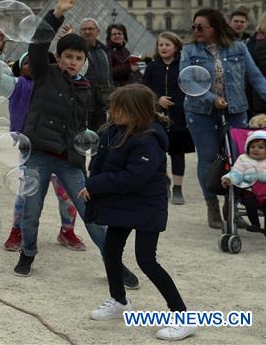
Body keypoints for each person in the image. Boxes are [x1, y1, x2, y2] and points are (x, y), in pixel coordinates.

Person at [13, 0, 139, 290]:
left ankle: (114, 262)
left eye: (78, 58)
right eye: (68, 56)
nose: (73, 61)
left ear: (84, 61)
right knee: (31, 211)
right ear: (59, 57)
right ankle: (28, 252)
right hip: (39, 152)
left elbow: (94, 123)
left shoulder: (86, 86)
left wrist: (97, 148)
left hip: (69, 157)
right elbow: (37, 45)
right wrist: (56, 13)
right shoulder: (45, 73)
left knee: (92, 213)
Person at [82, 84, 194, 342]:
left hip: (147, 205)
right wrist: (91, 184)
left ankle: (183, 317)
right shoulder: (112, 131)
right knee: (110, 251)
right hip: (121, 203)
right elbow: (98, 162)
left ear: (135, 111)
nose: (111, 112)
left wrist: (95, 185)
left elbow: (134, 178)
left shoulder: (149, 139)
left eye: (117, 108)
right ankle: (119, 300)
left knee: (146, 260)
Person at [180, 8, 266, 229]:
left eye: (201, 27)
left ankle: (231, 205)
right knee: (207, 159)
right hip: (200, 112)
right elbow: (187, 81)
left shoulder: (239, 48)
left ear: (215, 28)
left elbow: (255, 76)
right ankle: (212, 205)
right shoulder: (189, 50)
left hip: (235, 110)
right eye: (193, 27)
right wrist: (211, 99)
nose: (195, 31)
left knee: (237, 159)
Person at [2, 48, 86, 252]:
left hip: (63, 148)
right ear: (19, 68)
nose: (32, 66)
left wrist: (70, 49)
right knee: (26, 193)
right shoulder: (16, 85)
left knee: (66, 194)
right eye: (26, 63)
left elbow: (77, 69)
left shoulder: (61, 83)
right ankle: (17, 230)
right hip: (33, 147)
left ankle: (67, 230)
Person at [142, 32, 194, 205]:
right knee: (158, 151)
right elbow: (144, 88)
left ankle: (178, 188)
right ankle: (164, 180)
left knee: (177, 153)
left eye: (167, 45)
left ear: (176, 47)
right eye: (160, 45)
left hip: (180, 115)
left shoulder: (184, 66)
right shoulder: (152, 67)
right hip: (157, 116)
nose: (163, 48)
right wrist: (158, 100)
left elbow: (192, 86)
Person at [221, 129, 266, 238]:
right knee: (250, 204)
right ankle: (255, 224)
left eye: (260, 147)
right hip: (250, 190)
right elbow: (236, 172)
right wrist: (229, 178)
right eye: (252, 147)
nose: (255, 150)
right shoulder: (243, 159)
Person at [106, 23, 136, 87]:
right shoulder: (107, 51)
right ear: (109, 37)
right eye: (114, 34)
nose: (117, 36)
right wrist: (129, 68)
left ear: (124, 36)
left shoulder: (125, 50)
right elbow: (108, 72)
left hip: (127, 86)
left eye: (120, 33)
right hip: (116, 87)